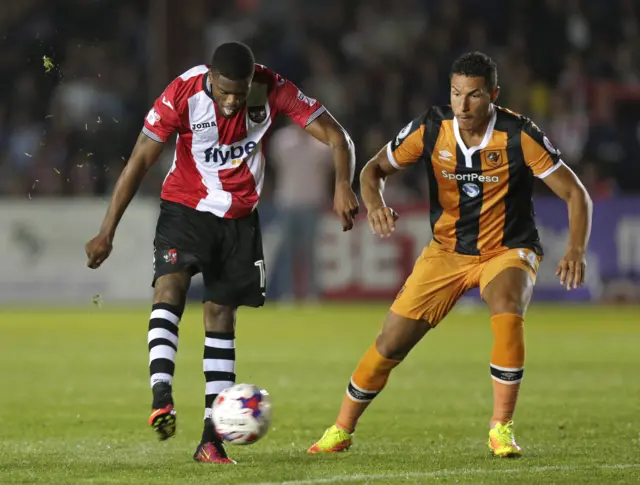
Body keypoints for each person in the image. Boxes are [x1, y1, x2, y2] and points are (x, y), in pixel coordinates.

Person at [84, 41, 359, 464]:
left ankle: (211, 439)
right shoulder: (182, 93)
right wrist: (107, 231)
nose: (233, 101)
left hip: (239, 219)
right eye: (225, 91)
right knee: (169, 288)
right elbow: (140, 158)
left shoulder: (271, 87)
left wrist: (342, 185)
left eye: (241, 91)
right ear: (210, 77)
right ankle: (162, 395)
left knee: (221, 316)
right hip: (185, 208)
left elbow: (337, 136)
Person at [307, 51, 592, 458]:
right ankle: (341, 429)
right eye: (456, 93)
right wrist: (376, 204)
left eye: (473, 95)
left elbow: (575, 193)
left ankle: (501, 428)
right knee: (389, 343)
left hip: (507, 248)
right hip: (446, 252)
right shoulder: (430, 127)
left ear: (493, 94)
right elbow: (372, 170)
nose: (462, 105)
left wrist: (576, 249)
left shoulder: (519, 134)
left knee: (507, 305)